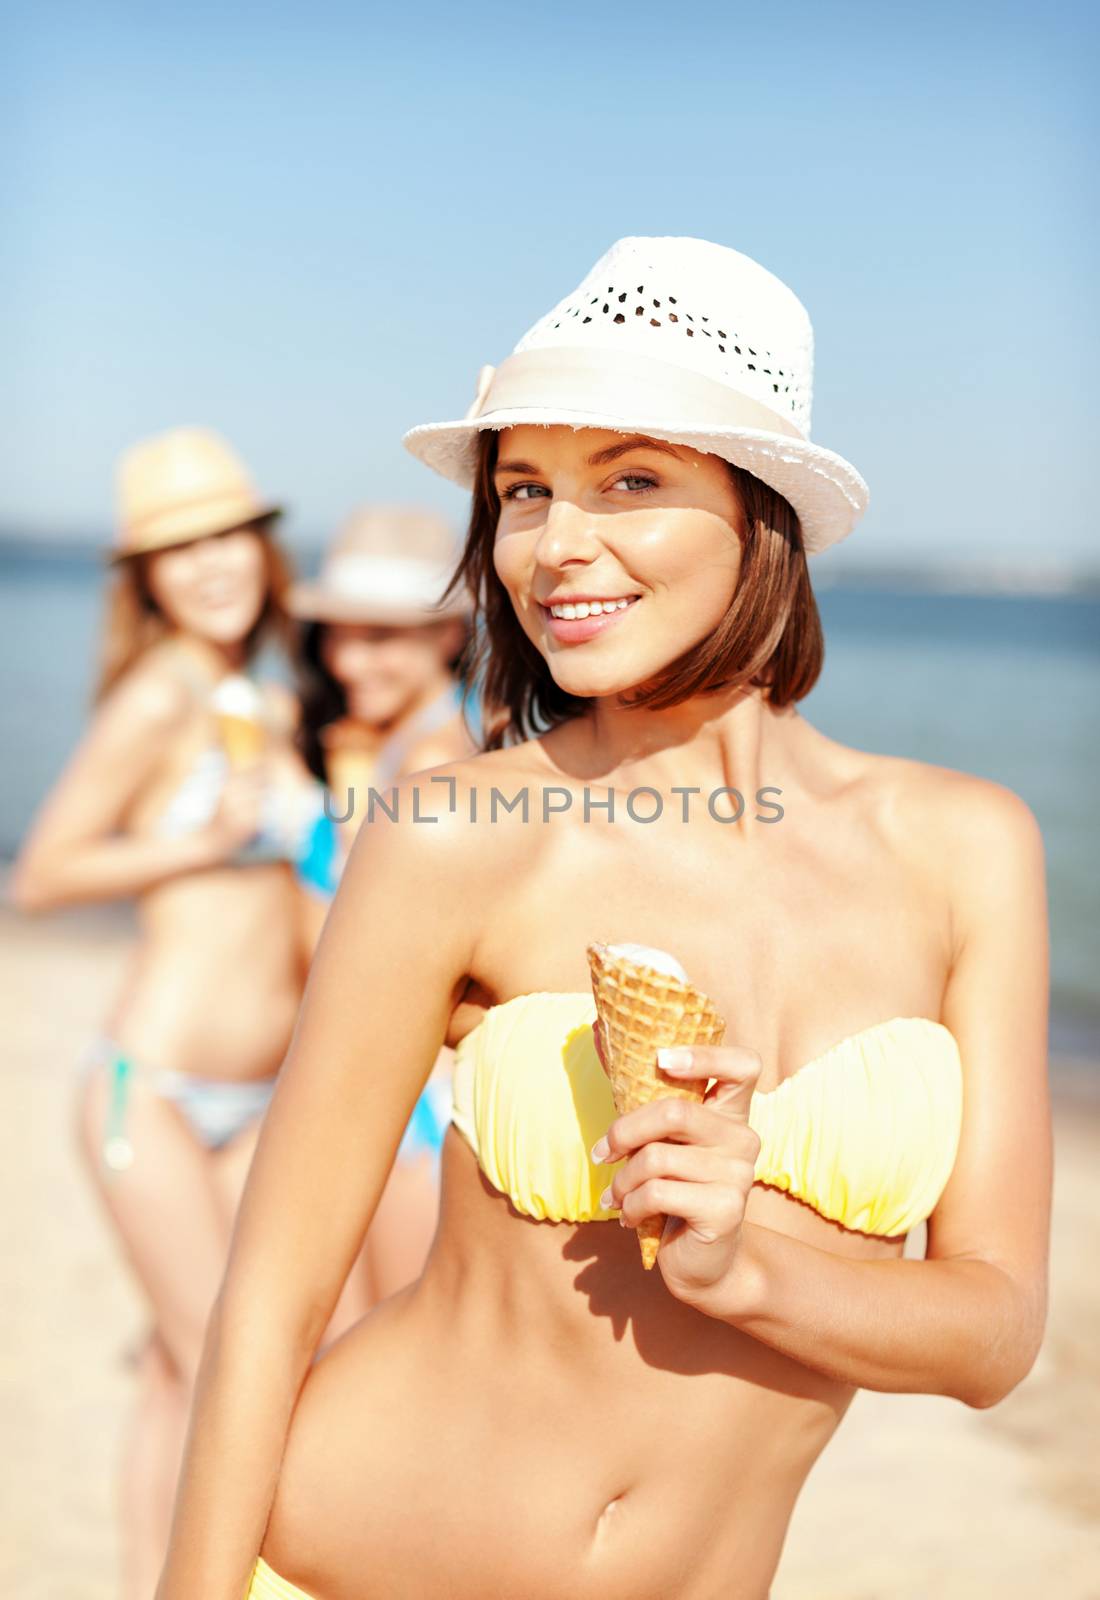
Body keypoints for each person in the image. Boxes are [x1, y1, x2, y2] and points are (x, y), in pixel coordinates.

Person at [158, 238, 1052, 1600]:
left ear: (765, 515)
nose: (554, 544)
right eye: (524, 492)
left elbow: (992, 1335)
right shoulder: (454, 831)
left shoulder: (967, 846)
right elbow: (267, 1307)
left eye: (631, 479)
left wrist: (742, 1266)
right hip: (342, 1567)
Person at [10, 426, 323, 1600]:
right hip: (153, 1087)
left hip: (257, 1100)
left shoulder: (267, 693)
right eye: (176, 549)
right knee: (223, 1369)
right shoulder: (158, 696)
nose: (209, 566)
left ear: (260, 546)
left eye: (225, 537)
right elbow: (41, 874)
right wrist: (194, 838)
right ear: (144, 575)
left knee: (171, 1375)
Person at [289, 504, 478, 1300]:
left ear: (447, 637)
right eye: (339, 633)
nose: (349, 661)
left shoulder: (440, 763)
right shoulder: (386, 749)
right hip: (372, 1095)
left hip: (409, 1109)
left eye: (381, 637)